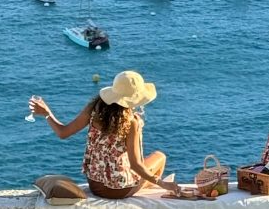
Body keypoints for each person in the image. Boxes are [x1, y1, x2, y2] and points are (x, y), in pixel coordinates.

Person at [29, 70, 173, 200]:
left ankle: (145, 185)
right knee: (160, 156)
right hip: (119, 190)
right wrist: (164, 184)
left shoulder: (93, 110)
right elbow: (136, 165)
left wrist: (47, 113)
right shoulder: (131, 122)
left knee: (147, 170)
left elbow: (63, 133)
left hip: (95, 185)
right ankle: (150, 188)